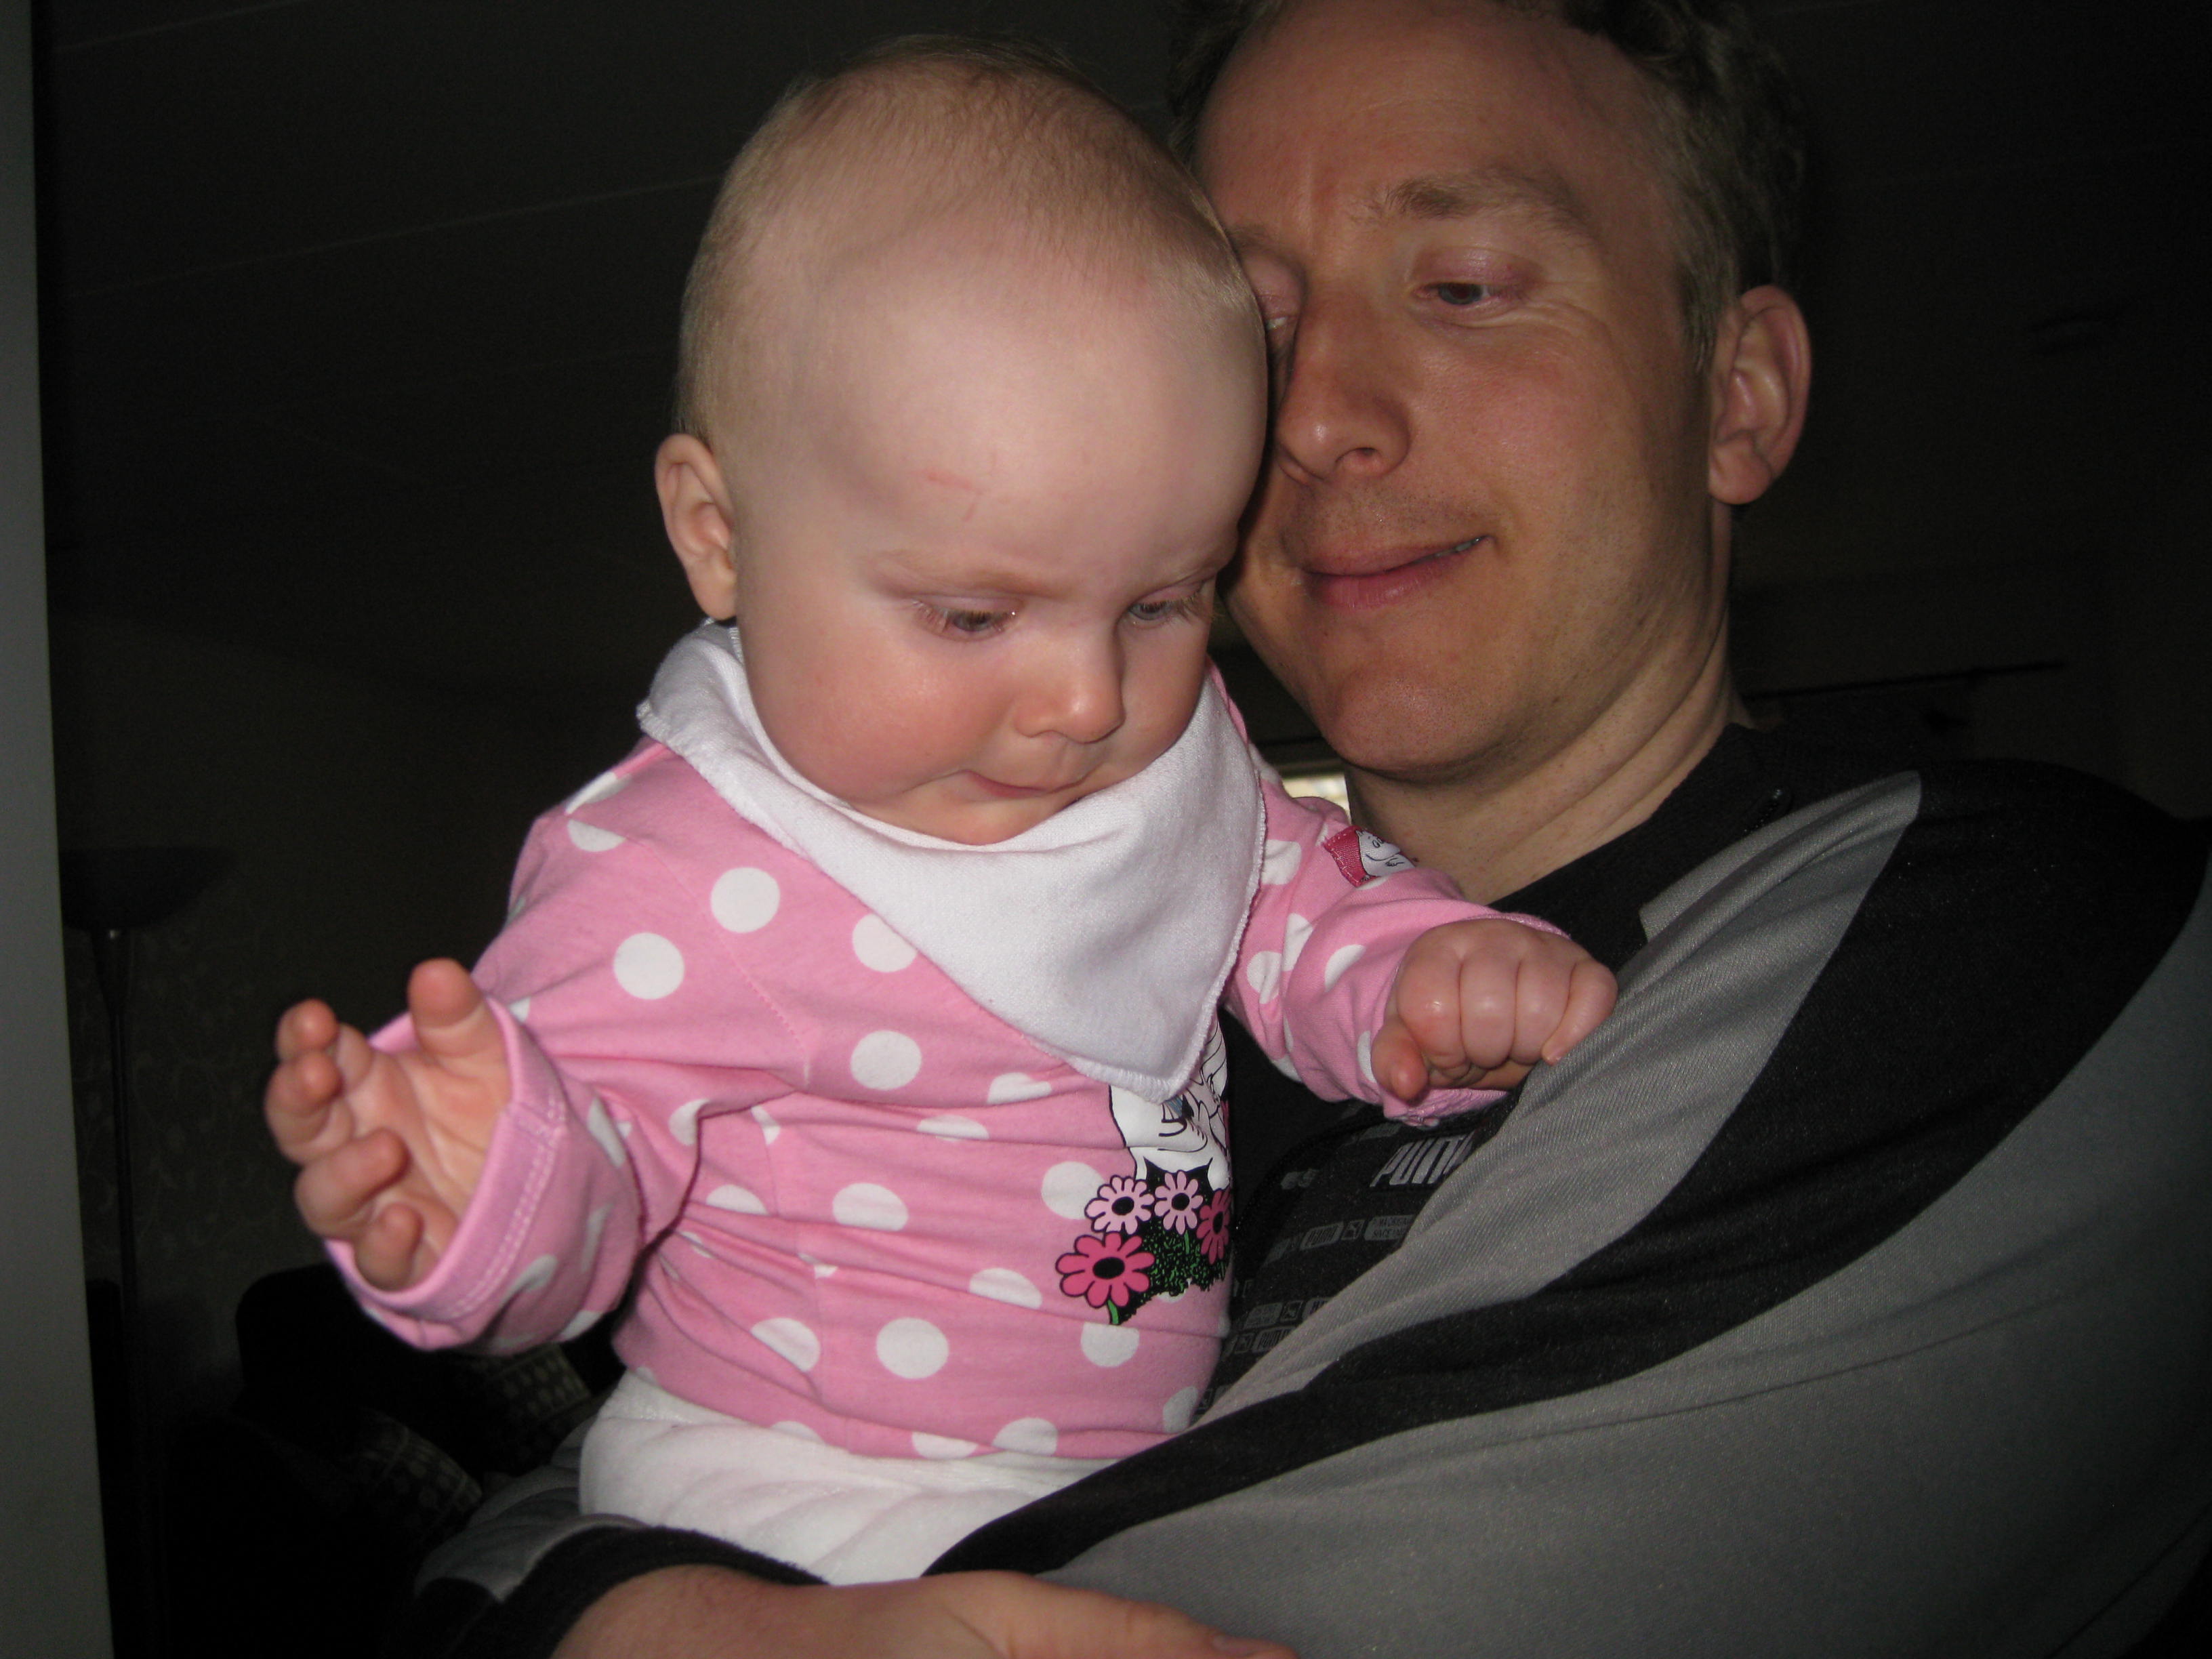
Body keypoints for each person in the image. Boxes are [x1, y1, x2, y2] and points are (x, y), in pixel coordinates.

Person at [391, 1, 2212, 1654]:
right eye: (1256, 330)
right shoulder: (1118, 968)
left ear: (1735, 392)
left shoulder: (2036, 949)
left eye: (1467, 285)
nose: (1315, 419)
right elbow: (617, 1474)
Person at [263, 37, 1614, 1593]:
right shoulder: (678, 872)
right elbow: (589, 1188)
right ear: (717, 534)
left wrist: (1421, 979)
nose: (1087, 701)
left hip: (1118, 1476)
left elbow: (1294, 903)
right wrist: (480, 1186)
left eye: (1162, 602)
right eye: (974, 616)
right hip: (802, 1498)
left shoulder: (1170, 772)